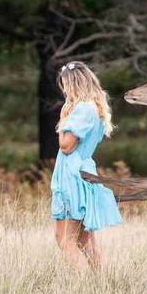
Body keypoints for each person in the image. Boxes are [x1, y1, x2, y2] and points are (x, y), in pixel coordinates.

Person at [50, 61, 122, 270]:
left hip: (73, 176)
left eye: (65, 85)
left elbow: (66, 146)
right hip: (83, 171)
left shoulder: (82, 110)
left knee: (65, 239)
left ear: (73, 84)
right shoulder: (95, 109)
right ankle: (103, 284)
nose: (64, 91)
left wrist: (64, 118)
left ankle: (80, 287)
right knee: (85, 240)